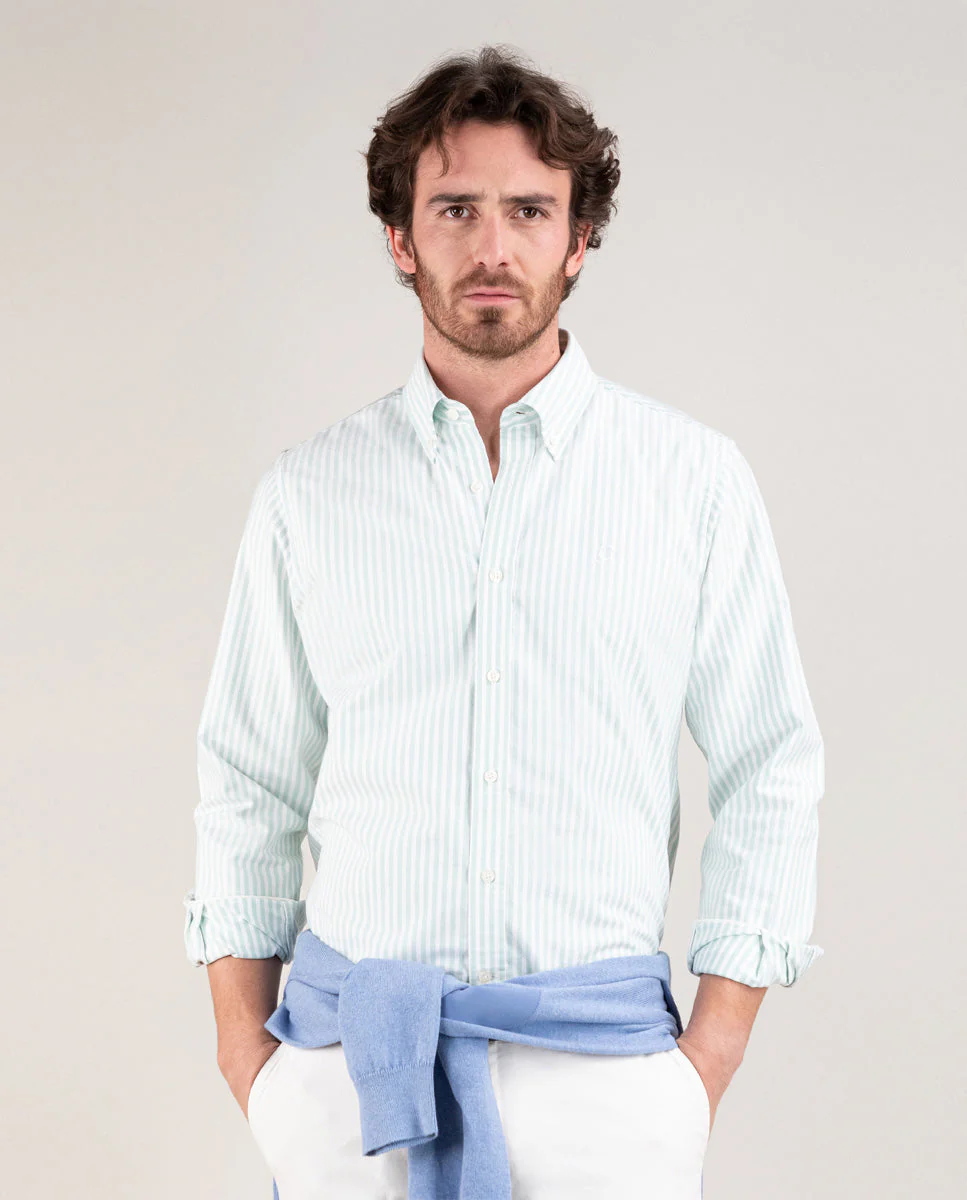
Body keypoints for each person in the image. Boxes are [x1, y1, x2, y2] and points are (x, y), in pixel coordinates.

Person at [183, 44, 824, 1199]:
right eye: (455, 209)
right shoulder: (308, 495)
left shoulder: (691, 484)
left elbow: (771, 762)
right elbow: (248, 781)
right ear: (400, 238)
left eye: (529, 210)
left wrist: (706, 1062)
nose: (492, 247)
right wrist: (252, 1063)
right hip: (350, 1082)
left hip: (608, 1088)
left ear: (579, 239)